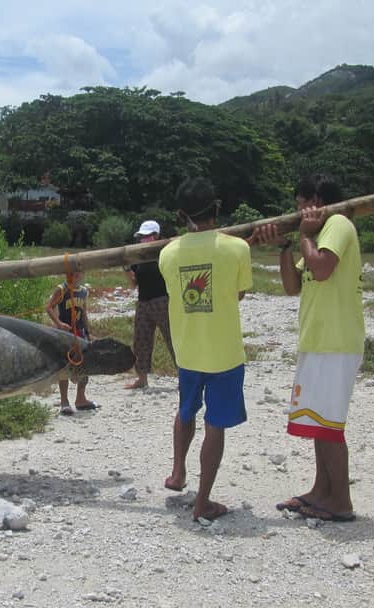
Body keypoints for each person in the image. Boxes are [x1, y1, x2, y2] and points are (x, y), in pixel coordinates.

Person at [252, 175, 363, 522]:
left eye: (301, 202)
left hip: (335, 340)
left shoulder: (339, 224)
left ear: (315, 200)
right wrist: (286, 246)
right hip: (318, 340)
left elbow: (322, 267)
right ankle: (321, 491)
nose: (299, 209)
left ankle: (340, 500)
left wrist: (302, 235)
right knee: (318, 422)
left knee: (329, 426)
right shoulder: (317, 236)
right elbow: (291, 285)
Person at [158, 177, 252, 523]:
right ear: (216, 207)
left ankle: (178, 471)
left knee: (185, 411)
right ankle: (203, 502)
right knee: (215, 425)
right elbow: (238, 294)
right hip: (224, 353)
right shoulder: (237, 248)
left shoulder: (167, 254)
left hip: (187, 351)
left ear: (180, 214)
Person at [124, 220, 175, 390]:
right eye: (142, 236)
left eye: (147, 236)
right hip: (143, 301)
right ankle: (142, 378)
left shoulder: (165, 252)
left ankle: (185, 377)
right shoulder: (137, 256)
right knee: (141, 341)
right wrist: (126, 270)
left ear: (157, 235)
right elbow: (134, 284)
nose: (144, 239)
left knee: (172, 339)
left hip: (163, 300)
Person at [46, 271, 97, 415]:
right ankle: (64, 402)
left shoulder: (83, 292)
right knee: (65, 367)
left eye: (77, 273)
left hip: (80, 333)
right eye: (72, 273)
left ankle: (81, 399)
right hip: (65, 334)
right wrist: (59, 323)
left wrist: (88, 332)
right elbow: (49, 307)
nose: (75, 276)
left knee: (84, 365)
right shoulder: (62, 289)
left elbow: (84, 313)